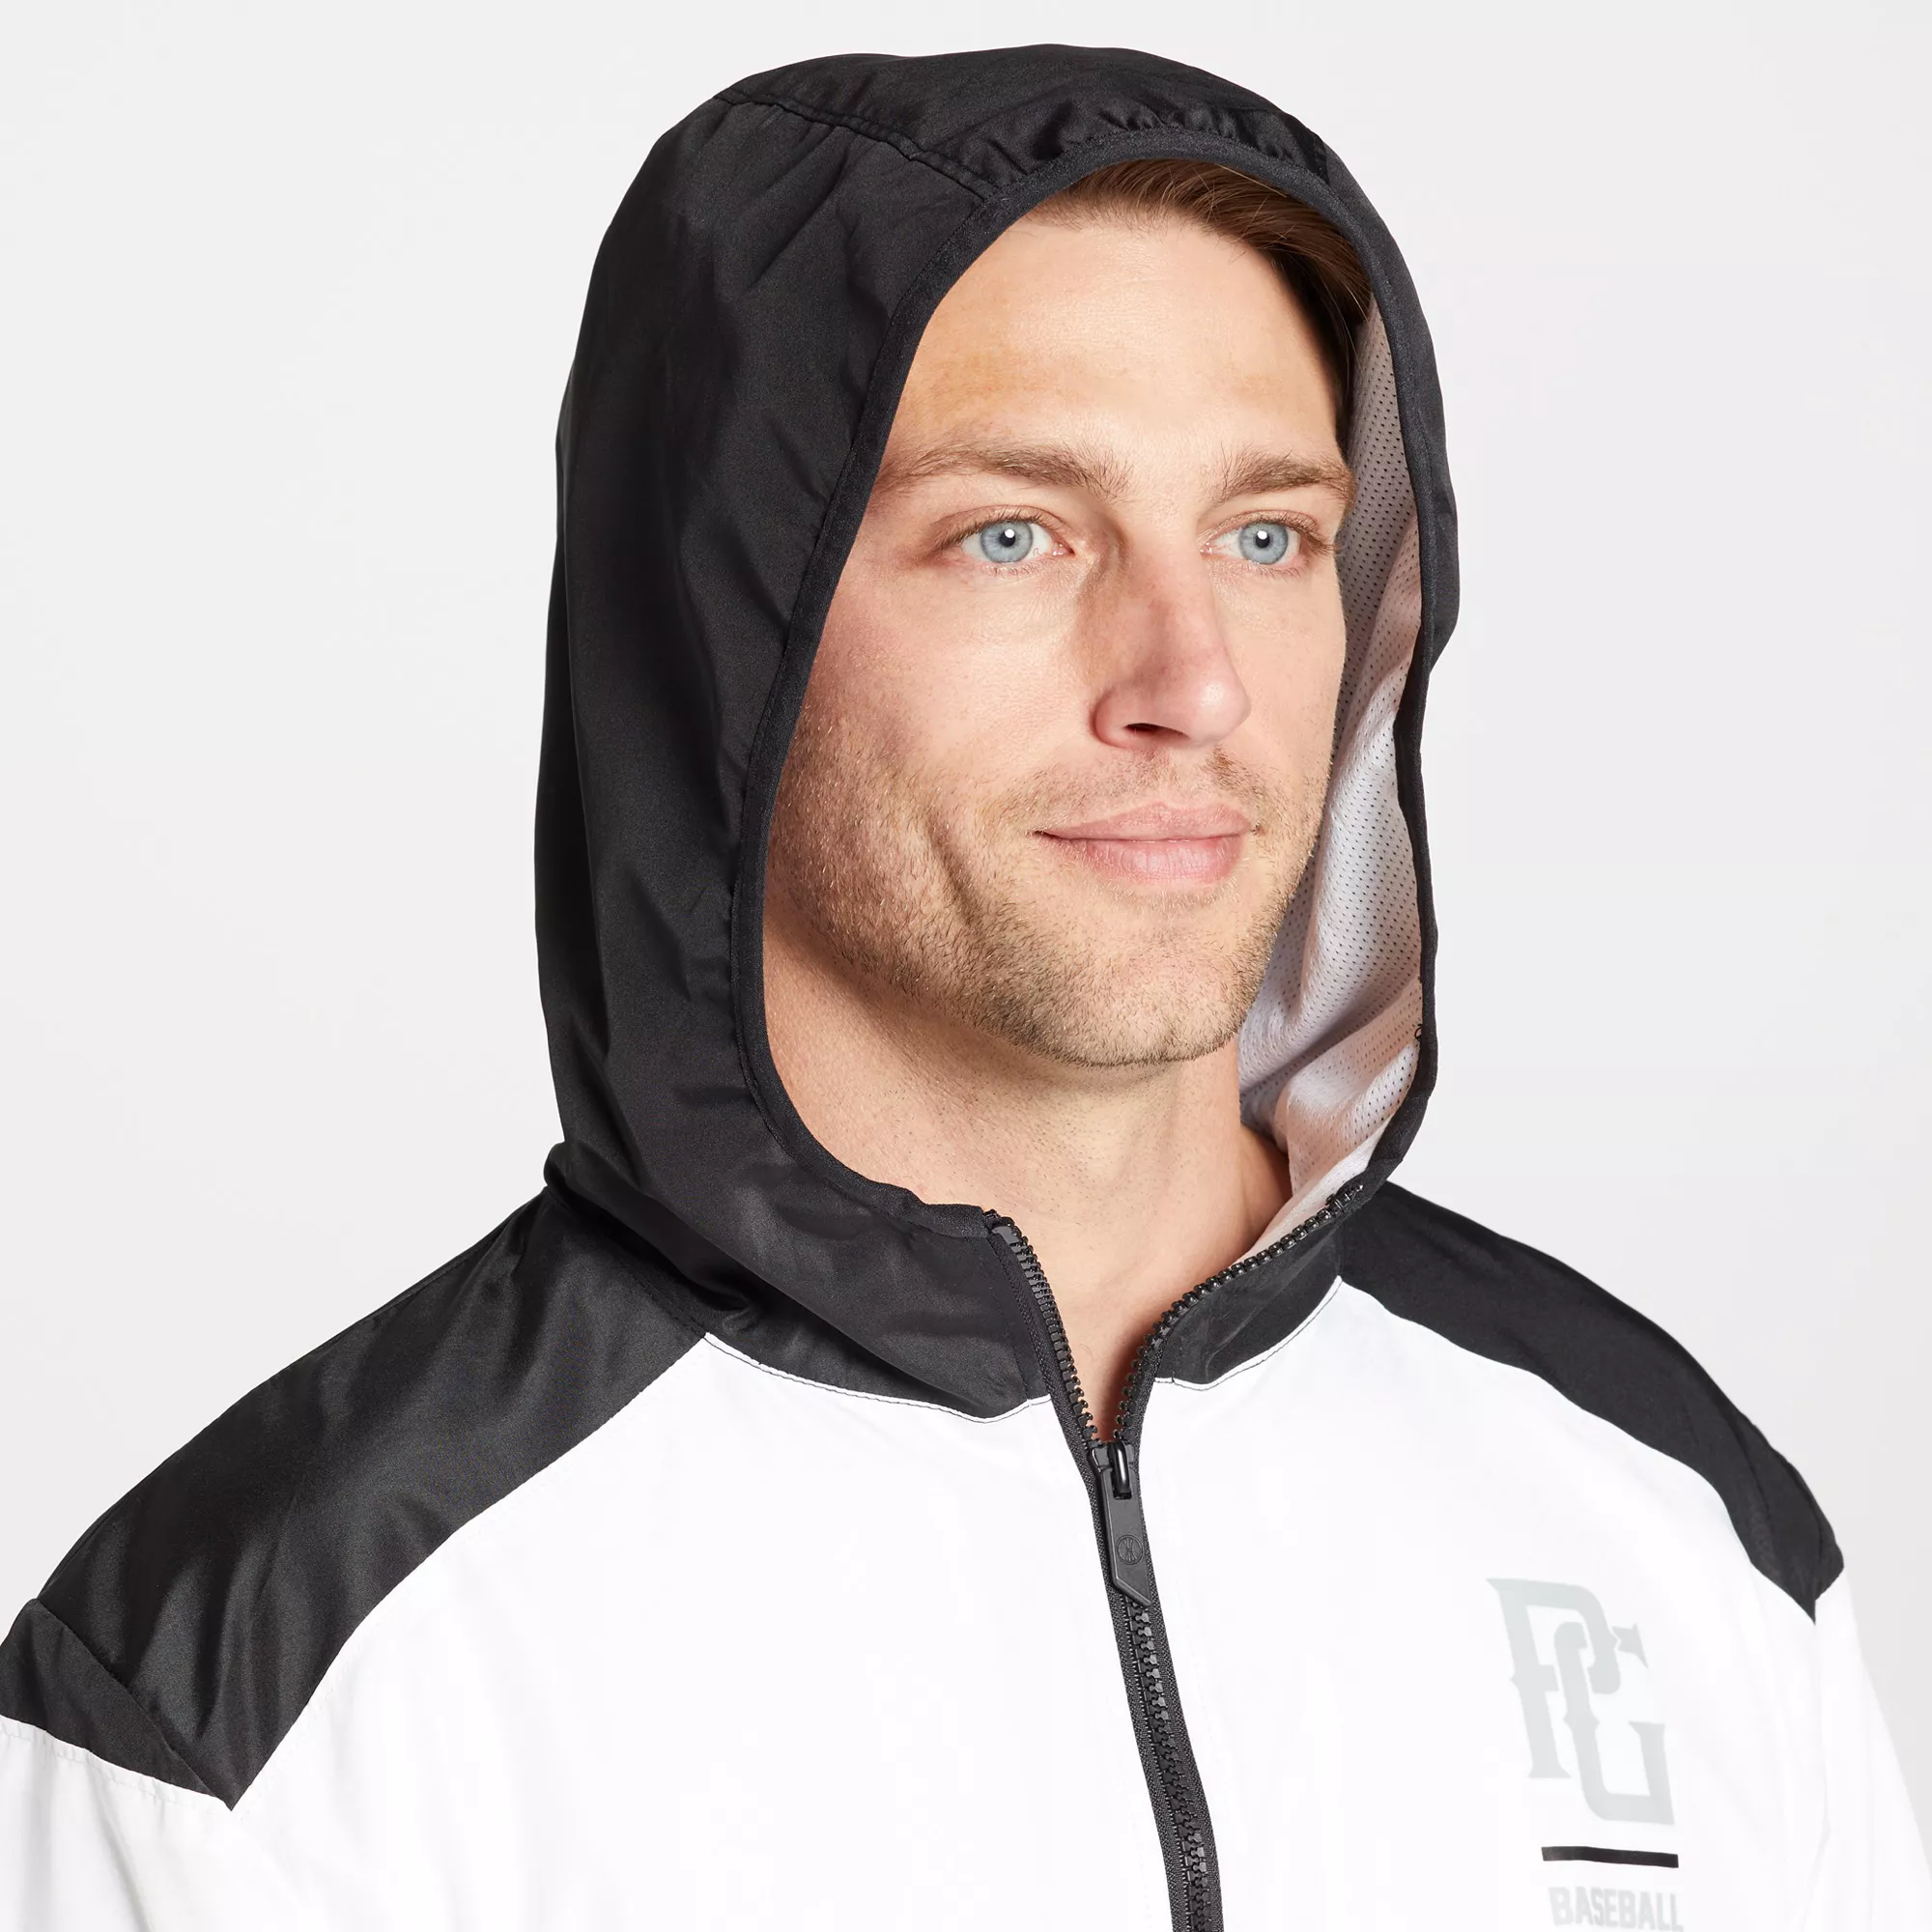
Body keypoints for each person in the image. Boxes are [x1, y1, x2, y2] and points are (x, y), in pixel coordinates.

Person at [1, 43, 1924, 1931]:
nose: (1194, 682)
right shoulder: (266, 1694)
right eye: (1015, 535)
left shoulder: (1676, 1520)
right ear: (722, 631)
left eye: (1267, 536)